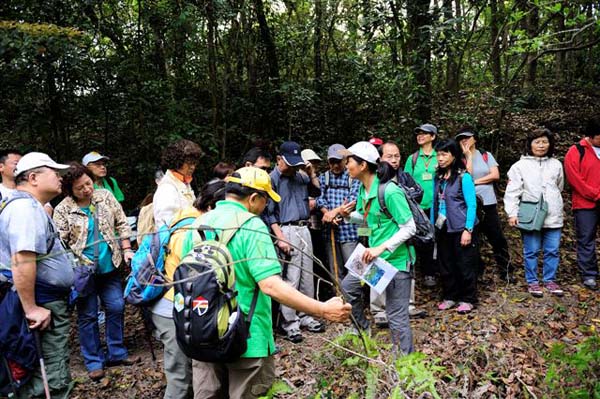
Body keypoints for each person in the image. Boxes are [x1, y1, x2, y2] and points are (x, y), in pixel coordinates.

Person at [183, 167, 351, 399]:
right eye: (265, 201)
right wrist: (322, 309)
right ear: (254, 199)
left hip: (202, 333)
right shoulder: (252, 226)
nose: (266, 207)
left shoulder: (197, 225)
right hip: (247, 339)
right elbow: (270, 285)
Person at [53, 163, 139, 381]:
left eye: (88, 183)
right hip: (82, 272)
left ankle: (117, 353)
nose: (86, 190)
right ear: (70, 190)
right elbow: (59, 242)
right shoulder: (63, 209)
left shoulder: (105, 197)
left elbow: (122, 223)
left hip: (110, 265)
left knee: (116, 306)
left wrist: (127, 248)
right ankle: (93, 361)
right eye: (80, 187)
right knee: (88, 315)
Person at [0, 152, 74, 398]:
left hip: (46, 300)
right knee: (49, 374)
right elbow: (22, 259)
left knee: (49, 369)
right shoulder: (24, 209)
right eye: (54, 172)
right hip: (40, 304)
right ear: (32, 177)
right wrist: (31, 308)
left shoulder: (33, 207)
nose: (60, 178)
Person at [150, 179, 226, 399]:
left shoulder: (184, 217)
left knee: (190, 374)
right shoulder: (190, 230)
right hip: (171, 308)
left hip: (176, 305)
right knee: (180, 379)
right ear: (211, 206)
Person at [339, 141, 416, 354]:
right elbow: (369, 222)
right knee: (348, 287)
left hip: (397, 261)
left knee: (396, 315)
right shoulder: (364, 191)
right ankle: (363, 328)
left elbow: (410, 227)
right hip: (374, 259)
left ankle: (404, 364)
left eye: (350, 162)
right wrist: (350, 217)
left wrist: (381, 247)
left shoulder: (390, 191)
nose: (346, 166)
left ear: (363, 165)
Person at [265, 141, 324, 343]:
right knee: (291, 277)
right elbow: (269, 213)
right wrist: (280, 237)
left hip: (304, 227)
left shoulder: (301, 176)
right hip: (285, 228)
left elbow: (317, 193)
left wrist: (311, 172)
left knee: (307, 275)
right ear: (279, 159)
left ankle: (306, 316)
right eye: (289, 163)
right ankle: (289, 323)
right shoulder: (272, 179)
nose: (292, 167)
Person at [504, 129, 564, 297]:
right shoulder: (519, 166)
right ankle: (532, 282)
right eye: (537, 142)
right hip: (530, 215)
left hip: (553, 213)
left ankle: (550, 280)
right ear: (530, 144)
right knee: (531, 250)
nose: (541, 145)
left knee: (552, 249)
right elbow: (512, 192)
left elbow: (559, 186)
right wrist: (512, 213)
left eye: (544, 142)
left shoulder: (556, 164)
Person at [377, 141, 426, 323]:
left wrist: (403, 195)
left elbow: (419, 193)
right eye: (389, 157)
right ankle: (379, 310)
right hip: (381, 234)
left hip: (404, 233)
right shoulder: (376, 180)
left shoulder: (404, 177)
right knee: (378, 267)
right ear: (380, 158)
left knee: (406, 265)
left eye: (397, 156)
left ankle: (408, 305)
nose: (394, 160)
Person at [456, 128, 512, 282]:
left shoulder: (486, 155)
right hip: (469, 205)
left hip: (488, 203)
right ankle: (478, 272)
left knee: (497, 238)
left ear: (475, 139)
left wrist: (475, 182)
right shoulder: (458, 158)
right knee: (473, 240)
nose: (464, 140)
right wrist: (468, 157)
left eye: (467, 137)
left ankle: (506, 270)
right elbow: (466, 175)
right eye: (461, 138)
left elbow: (495, 175)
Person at [431, 139, 479, 314]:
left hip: (460, 227)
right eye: (438, 154)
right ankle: (450, 296)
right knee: (446, 264)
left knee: (464, 263)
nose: (440, 158)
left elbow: (472, 205)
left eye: (444, 154)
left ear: (454, 155)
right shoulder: (438, 178)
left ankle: (468, 298)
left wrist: (468, 229)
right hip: (442, 227)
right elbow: (434, 202)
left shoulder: (463, 177)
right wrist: (432, 226)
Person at [564, 116, 600, 290]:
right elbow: (574, 179)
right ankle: (589, 274)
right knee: (586, 238)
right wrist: (595, 194)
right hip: (585, 204)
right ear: (591, 136)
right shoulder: (577, 150)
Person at [317, 144, 359, 285]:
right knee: (335, 270)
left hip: (350, 231)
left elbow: (353, 200)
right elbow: (320, 199)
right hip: (330, 232)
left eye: (338, 161)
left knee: (355, 269)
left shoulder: (353, 177)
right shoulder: (324, 178)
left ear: (345, 160)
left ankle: (355, 302)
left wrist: (334, 214)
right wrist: (327, 214)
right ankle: (340, 300)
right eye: (332, 162)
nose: (335, 165)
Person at [404, 124, 438, 287]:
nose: (420, 136)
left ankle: (433, 272)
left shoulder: (440, 155)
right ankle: (420, 273)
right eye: (418, 133)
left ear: (433, 136)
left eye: (424, 133)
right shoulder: (413, 158)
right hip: (417, 206)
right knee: (420, 239)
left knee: (436, 238)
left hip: (436, 205)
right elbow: (406, 181)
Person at [153, 139, 202, 227]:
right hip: (176, 238)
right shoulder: (167, 187)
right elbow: (166, 221)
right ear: (177, 162)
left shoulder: (184, 182)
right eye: (189, 163)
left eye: (194, 163)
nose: (192, 167)